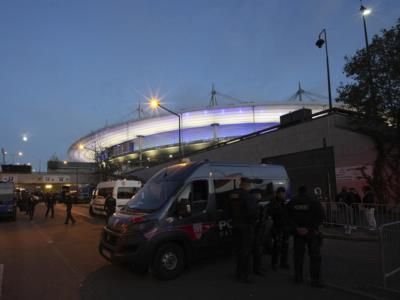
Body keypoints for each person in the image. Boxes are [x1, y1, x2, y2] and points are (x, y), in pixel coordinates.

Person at [287, 185, 324, 288]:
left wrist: (297, 228)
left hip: (298, 233)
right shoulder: (314, 201)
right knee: (315, 257)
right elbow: (321, 216)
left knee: (298, 256)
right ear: (307, 191)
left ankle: (298, 278)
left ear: (298, 191)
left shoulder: (292, 202)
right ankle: (315, 280)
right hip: (311, 233)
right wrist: (309, 228)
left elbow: (287, 217)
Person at [227, 177, 258, 283]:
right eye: (250, 185)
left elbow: (227, 210)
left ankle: (238, 274)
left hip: (235, 227)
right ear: (247, 184)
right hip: (246, 228)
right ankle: (246, 275)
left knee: (238, 251)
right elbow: (253, 213)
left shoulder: (232, 195)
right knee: (246, 252)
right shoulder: (248, 196)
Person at [268, 186, 290, 271]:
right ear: (277, 194)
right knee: (277, 246)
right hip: (277, 227)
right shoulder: (273, 203)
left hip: (285, 227)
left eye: (284, 193)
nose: (283, 195)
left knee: (285, 246)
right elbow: (271, 214)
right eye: (281, 193)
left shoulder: (284, 202)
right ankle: (274, 263)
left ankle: (283, 262)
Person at [251, 187, 268, 276]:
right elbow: (257, 220)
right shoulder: (255, 206)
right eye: (259, 194)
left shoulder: (258, 205)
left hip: (258, 231)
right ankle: (257, 269)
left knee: (258, 250)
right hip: (256, 231)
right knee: (257, 251)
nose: (260, 196)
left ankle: (257, 268)